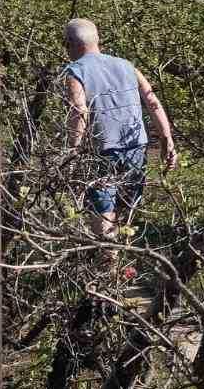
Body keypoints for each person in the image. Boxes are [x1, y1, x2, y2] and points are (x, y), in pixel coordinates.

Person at [62, 18, 177, 244]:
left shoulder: (75, 71)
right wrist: (167, 141)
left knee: (103, 212)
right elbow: (152, 101)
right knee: (125, 212)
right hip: (136, 148)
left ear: (71, 44)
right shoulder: (126, 65)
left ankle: (109, 271)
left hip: (102, 151)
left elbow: (79, 111)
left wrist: (72, 154)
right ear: (97, 40)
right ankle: (121, 267)